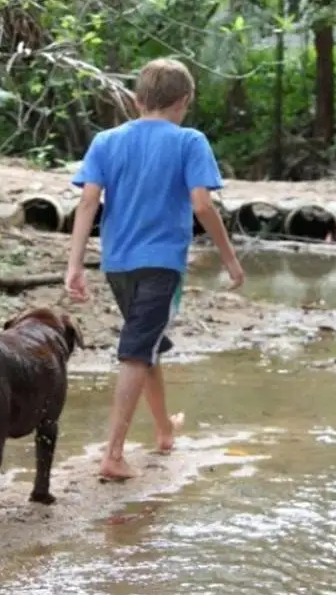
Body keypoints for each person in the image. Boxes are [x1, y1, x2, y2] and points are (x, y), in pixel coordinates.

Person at [65, 58, 244, 480]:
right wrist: (231, 259)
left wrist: (74, 264)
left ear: (135, 99)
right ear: (184, 102)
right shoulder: (190, 141)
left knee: (146, 346)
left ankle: (164, 430)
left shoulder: (106, 140)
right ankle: (113, 454)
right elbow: (202, 205)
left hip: (116, 263)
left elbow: (88, 202)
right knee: (136, 350)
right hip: (162, 264)